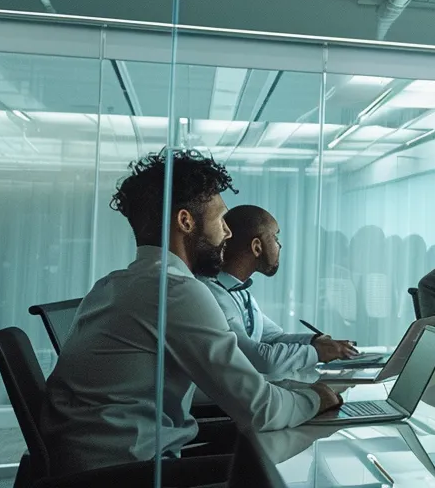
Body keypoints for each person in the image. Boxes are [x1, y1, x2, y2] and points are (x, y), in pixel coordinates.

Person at [39, 151, 340, 483]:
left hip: (97, 463)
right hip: (129, 473)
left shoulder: (118, 283)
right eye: (221, 220)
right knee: (282, 472)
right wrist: (316, 397)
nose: (228, 233)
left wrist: (281, 387)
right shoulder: (176, 290)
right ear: (186, 221)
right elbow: (260, 410)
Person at [199, 205, 360, 382]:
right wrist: (319, 352)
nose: (279, 245)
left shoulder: (241, 294)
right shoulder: (213, 294)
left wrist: (314, 341)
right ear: (257, 247)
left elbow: (274, 337)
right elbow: (259, 359)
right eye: (275, 237)